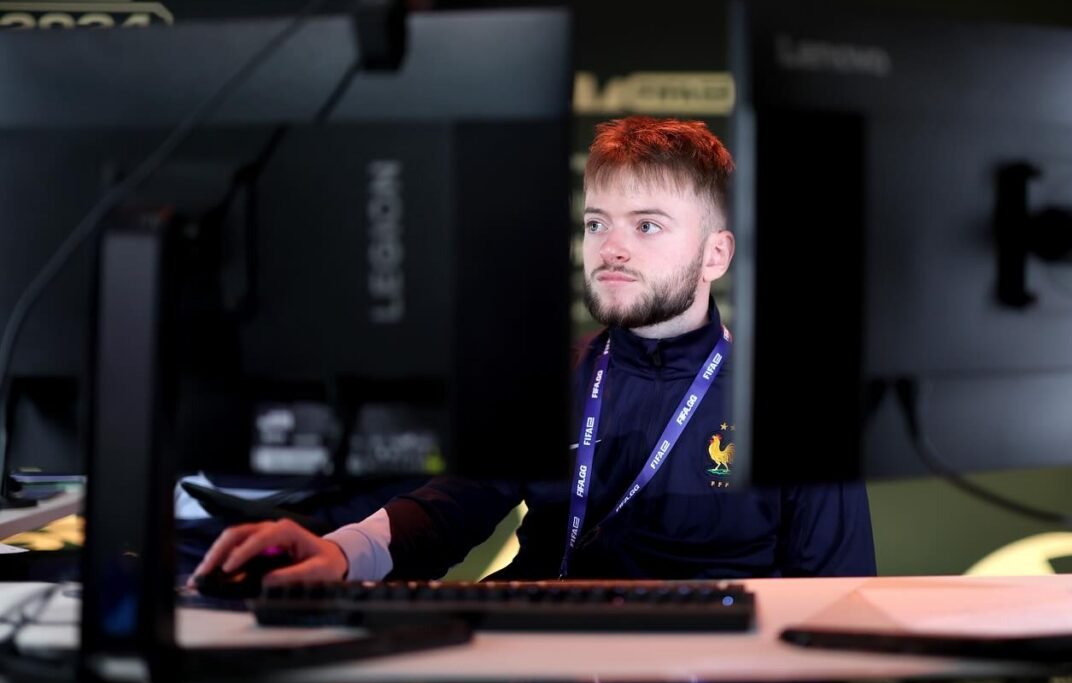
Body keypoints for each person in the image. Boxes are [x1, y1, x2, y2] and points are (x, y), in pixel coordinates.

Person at [191, 116, 876, 586]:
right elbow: (443, 513)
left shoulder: (794, 403)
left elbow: (838, 602)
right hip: (542, 662)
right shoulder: (548, 376)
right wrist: (340, 553)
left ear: (715, 254)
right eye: (597, 223)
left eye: (646, 225)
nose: (611, 247)